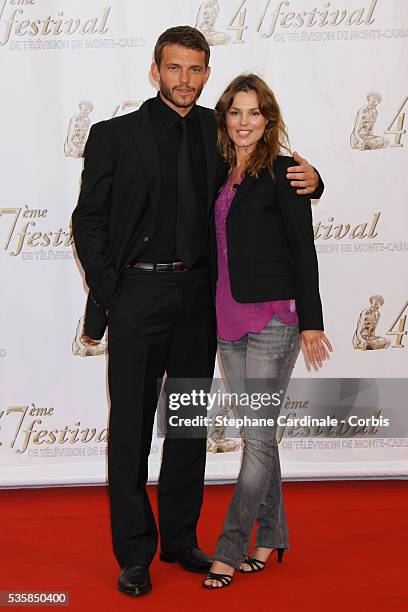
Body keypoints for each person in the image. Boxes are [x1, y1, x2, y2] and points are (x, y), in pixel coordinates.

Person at [71, 26, 323, 597]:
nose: (185, 79)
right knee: (131, 429)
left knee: (185, 425)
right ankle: (135, 553)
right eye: (174, 68)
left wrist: (314, 181)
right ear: (155, 70)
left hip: (198, 304)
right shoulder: (113, 136)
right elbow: (87, 220)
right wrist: (115, 292)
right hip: (137, 298)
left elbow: (261, 175)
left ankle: (180, 540)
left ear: (207, 73)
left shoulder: (218, 132)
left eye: (195, 70)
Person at [203, 74, 333, 589]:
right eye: (234, 112)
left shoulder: (285, 172)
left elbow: (305, 249)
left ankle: (230, 547)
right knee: (261, 439)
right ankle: (273, 532)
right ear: (225, 119)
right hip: (226, 320)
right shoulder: (216, 171)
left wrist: (312, 321)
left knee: (255, 441)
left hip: (275, 321)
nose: (243, 122)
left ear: (268, 119)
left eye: (253, 113)